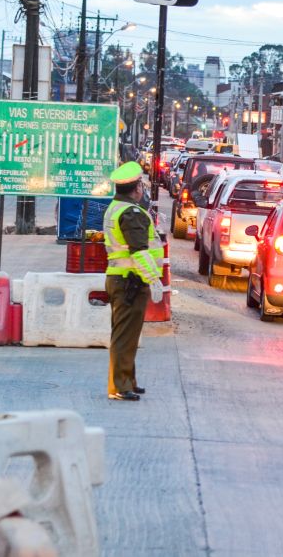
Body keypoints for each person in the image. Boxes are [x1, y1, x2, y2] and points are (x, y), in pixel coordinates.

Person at [103, 161, 164, 401]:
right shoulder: (132, 213)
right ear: (136, 188)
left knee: (126, 333)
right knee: (125, 335)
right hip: (130, 281)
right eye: (141, 185)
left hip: (120, 278)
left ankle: (128, 380)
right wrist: (154, 279)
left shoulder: (115, 207)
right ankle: (120, 386)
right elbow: (139, 252)